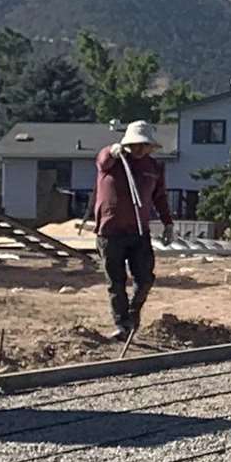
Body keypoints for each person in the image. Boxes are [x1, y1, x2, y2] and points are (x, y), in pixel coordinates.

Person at [93, 120, 173, 338]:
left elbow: (160, 197)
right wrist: (112, 150)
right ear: (127, 143)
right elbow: (102, 160)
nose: (139, 149)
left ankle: (132, 313)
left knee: (145, 278)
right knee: (116, 281)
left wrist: (168, 223)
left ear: (150, 147)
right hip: (110, 233)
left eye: (144, 145)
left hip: (139, 232)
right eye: (135, 144)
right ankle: (121, 324)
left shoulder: (154, 168)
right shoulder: (114, 161)